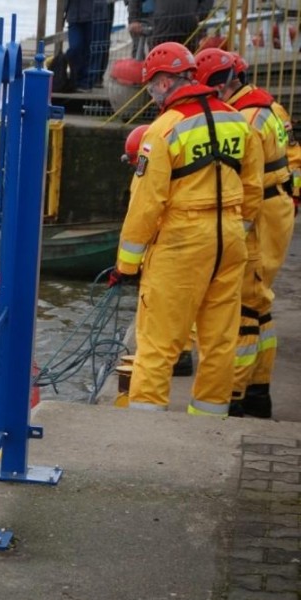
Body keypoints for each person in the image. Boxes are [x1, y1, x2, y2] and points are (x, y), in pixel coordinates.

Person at [109, 41, 264, 415]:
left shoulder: (162, 131)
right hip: (228, 242)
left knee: (157, 344)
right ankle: (207, 427)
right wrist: (233, 231)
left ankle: (146, 434)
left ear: (164, 82)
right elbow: (253, 189)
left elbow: (146, 205)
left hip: (180, 245)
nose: (150, 94)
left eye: (150, 86)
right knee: (219, 342)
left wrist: (126, 265)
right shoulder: (236, 120)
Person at [195, 48, 296, 418]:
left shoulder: (245, 118)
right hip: (278, 208)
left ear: (224, 84)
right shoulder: (269, 107)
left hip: (260, 215)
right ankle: (257, 392)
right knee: (261, 307)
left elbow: (243, 176)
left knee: (242, 308)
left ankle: (234, 394)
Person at [121, 125, 195, 378]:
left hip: (180, 239)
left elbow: (145, 210)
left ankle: (180, 354)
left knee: (167, 302)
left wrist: (126, 267)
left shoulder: (157, 148)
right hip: (214, 233)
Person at [65, 0, 114, 91]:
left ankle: (86, 82)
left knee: (94, 50)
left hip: (97, 12)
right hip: (74, 13)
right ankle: (76, 79)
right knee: (75, 47)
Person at [127, 0, 213, 51]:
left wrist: (199, 15)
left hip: (190, 32)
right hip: (161, 32)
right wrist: (133, 19)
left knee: (190, 71)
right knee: (160, 71)